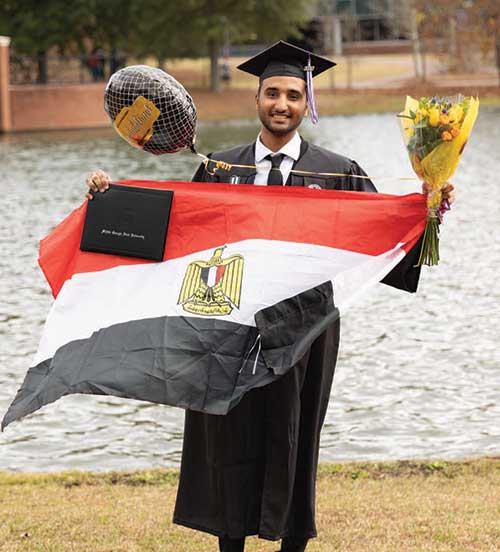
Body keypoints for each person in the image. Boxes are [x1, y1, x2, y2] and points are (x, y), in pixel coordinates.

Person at [86, 42, 454, 552]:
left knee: (294, 436)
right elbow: (174, 234)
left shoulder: (337, 172)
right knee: (228, 436)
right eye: (273, 93)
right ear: (257, 98)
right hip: (229, 323)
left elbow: (386, 243)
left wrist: (430, 210)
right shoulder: (219, 169)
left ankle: (291, 544)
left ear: (307, 105)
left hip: (307, 329)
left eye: (294, 96)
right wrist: (111, 202)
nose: (282, 104)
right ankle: (230, 544)